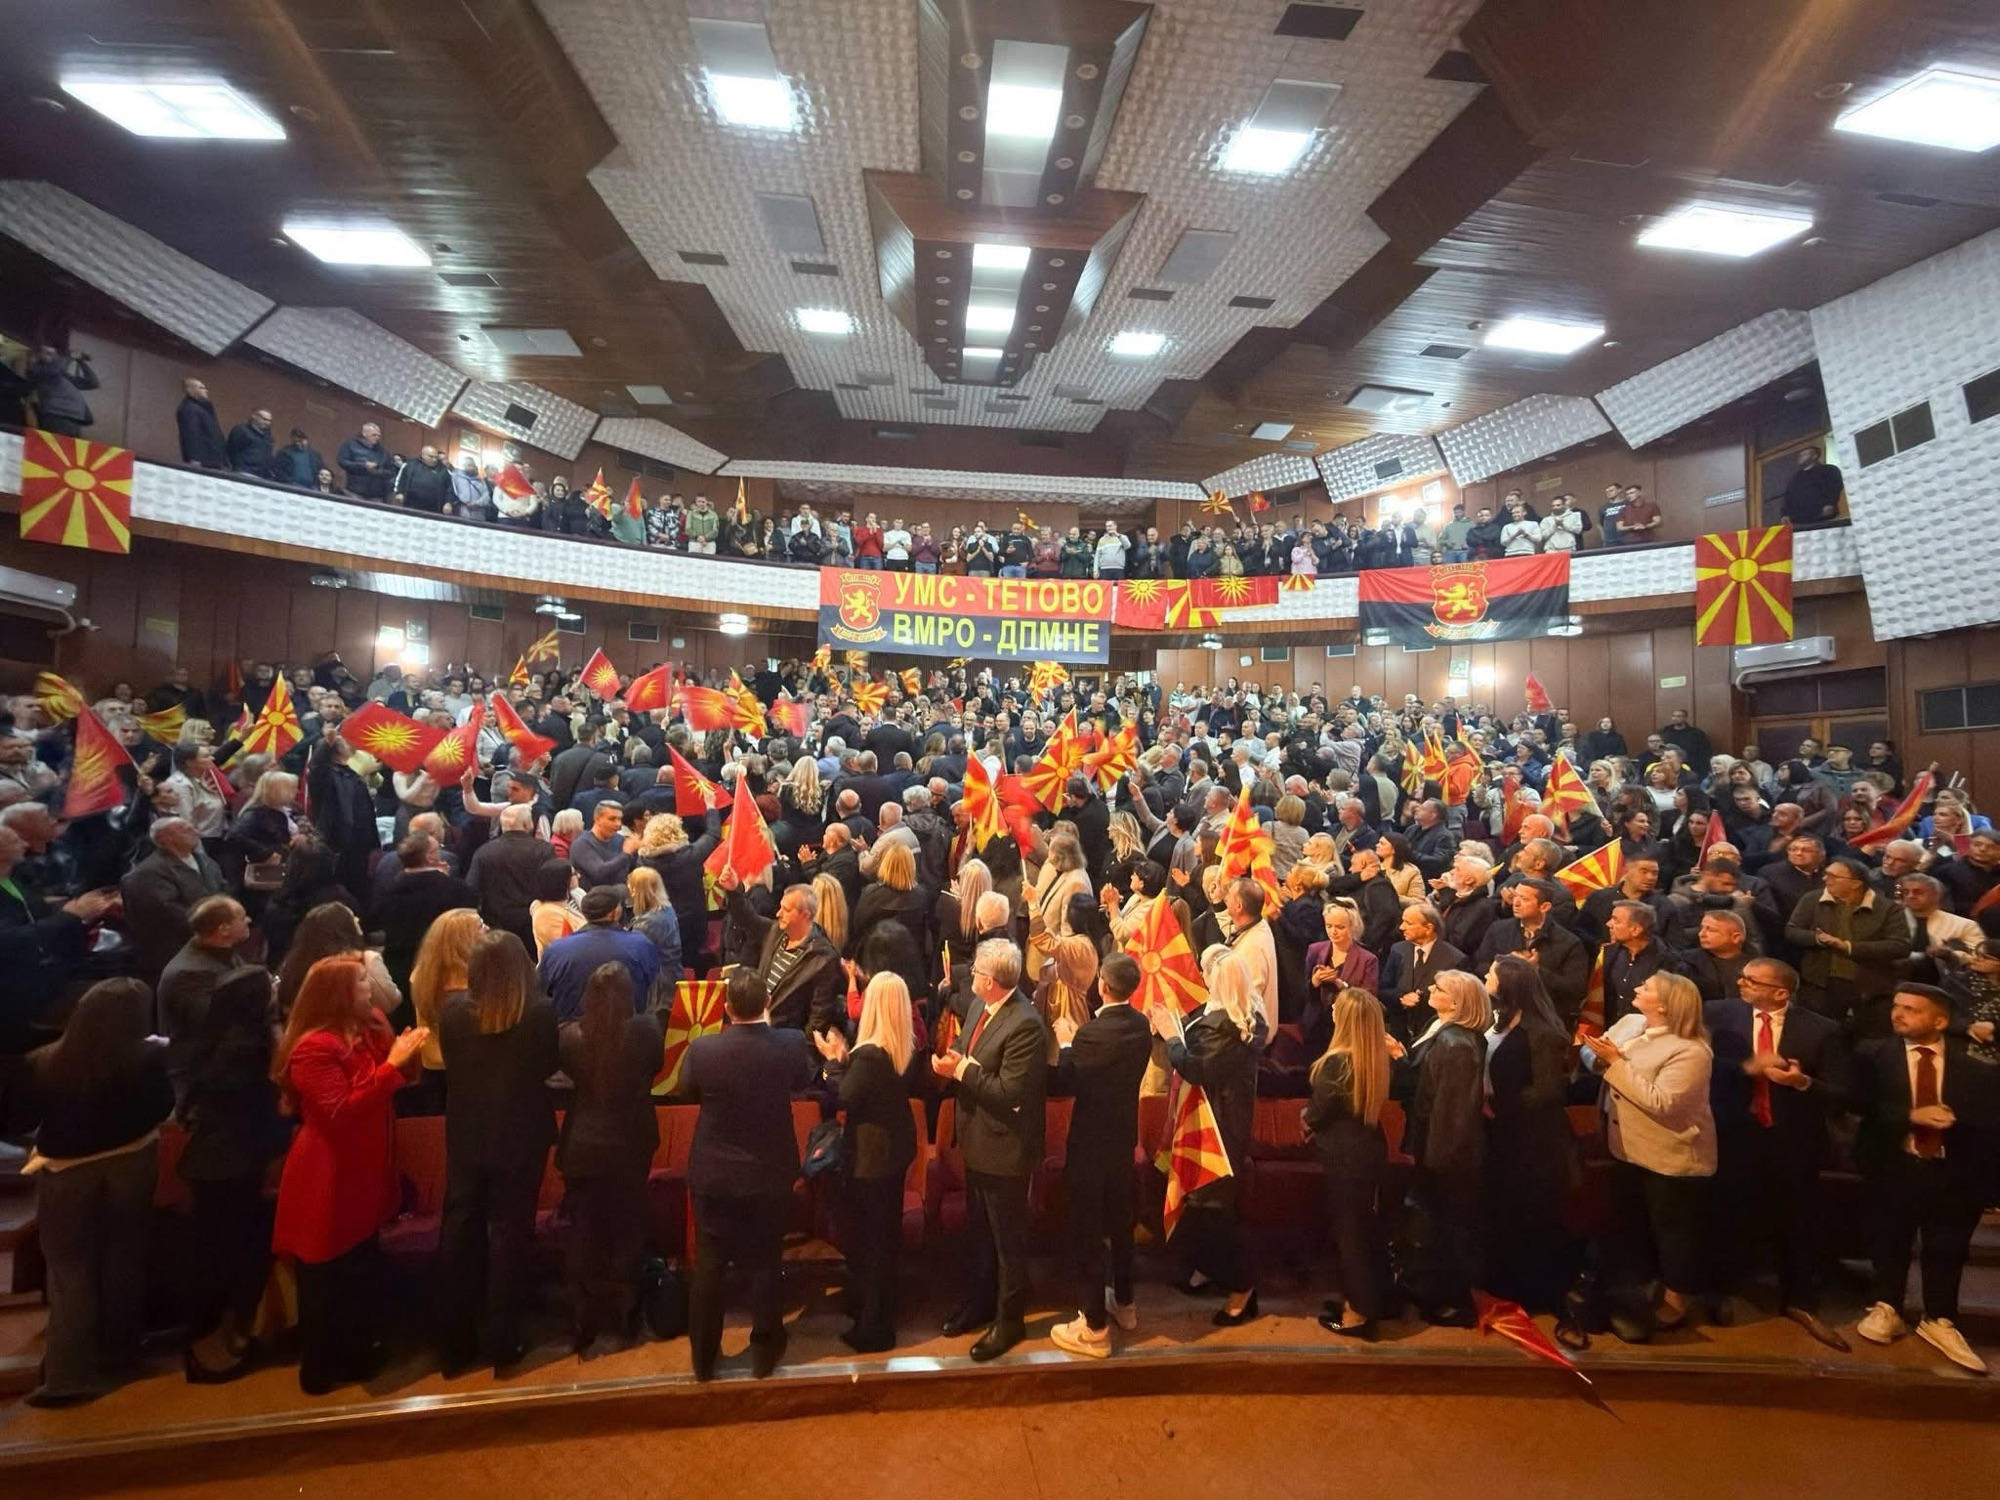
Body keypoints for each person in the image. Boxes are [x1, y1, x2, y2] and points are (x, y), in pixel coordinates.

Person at [270, 955, 428, 1394]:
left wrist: (404, 1052)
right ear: (337, 993)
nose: (370, 985)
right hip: (328, 1172)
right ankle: (322, 1365)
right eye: (361, 980)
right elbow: (340, 1111)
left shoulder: (367, 1025)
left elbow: (398, 1078)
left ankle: (356, 1351)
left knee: (359, 1263)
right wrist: (393, 1064)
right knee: (326, 1272)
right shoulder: (313, 1047)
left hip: (363, 1166)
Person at [19, 979, 173, 1406]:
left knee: (70, 1271)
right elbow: (162, 1107)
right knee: (124, 1261)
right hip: (132, 1162)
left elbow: (21, 1118)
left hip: (66, 1173)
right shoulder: (146, 1058)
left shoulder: (46, 1062)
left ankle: (68, 1375)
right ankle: (121, 1354)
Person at [1850, 984, 1998, 1374]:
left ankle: (1940, 1317)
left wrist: (1957, 1123)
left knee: (1947, 1246)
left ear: (1940, 1020)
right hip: (1892, 1164)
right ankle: (1887, 1306)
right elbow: (1855, 1104)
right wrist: (1909, 1117)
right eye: (1897, 1006)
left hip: (1953, 1170)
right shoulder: (1871, 1055)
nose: (1898, 1014)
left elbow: (1989, 1123)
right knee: (1889, 1239)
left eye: (1911, 1009)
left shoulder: (1975, 1069)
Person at [1704, 956, 1848, 1350]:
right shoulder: (1718, 1015)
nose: (1741, 983)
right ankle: (1725, 1292)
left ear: (1780, 993)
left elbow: (1842, 1092)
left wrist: (1802, 1082)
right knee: (1729, 1214)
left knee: (1796, 1221)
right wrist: (1745, 1069)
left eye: (1752, 980)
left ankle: (1801, 1300)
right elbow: (1702, 1063)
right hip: (1734, 1135)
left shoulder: (1821, 1030)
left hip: (1791, 1141)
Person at [682, 968, 816, 1381]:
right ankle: (765, 1350)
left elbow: (687, 1090)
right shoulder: (789, 1044)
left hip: (714, 1174)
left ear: (726, 1009)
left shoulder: (703, 1049)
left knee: (710, 1265)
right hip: (768, 1172)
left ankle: (704, 1357)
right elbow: (804, 1080)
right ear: (767, 1004)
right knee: (765, 1260)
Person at [437, 931, 559, 1372]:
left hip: (467, 1135)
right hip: (521, 1137)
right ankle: (503, 1340)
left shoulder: (453, 1011)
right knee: (510, 1235)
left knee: (460, 1231)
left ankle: (454, 1345)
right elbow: (548, 1066)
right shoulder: (538, 1013)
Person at [1582, 972, 1716, 1342]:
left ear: (1666, 1005)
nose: (1638, 988)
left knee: (1673, 1231)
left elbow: (1664, 1103)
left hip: (1669, 1154)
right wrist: (1599, 1058)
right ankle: (1636, 1291)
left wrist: (1614, 1062)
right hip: (1626, 1146)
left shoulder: (1690, 1050)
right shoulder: (1631, 1022)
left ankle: (1677, 1299)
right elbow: (1591, 1050)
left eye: (1647, 988)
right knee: (1635, 1224)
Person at [934, 938, 1049, 1361]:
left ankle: (1010, 1319)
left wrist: (961, 1069)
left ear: (994, 981)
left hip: (1005, 1148)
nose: (971, 976)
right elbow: (967, 1049)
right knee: (980, 1234)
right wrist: (953, 1060)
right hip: (977, 1141)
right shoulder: (981, 1007)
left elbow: (1009, 1092)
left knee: (1006, 1242)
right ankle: (982, 1303)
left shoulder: (1025, 1024)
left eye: (978, 972)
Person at [176, 967, 290, 1383]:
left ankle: (216, 1341)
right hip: (232, 1165)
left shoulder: (216, 1039)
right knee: (227, 1257)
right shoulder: (246, 1051)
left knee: (216, 1255)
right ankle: (215, 1349)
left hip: (213, 1162)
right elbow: (270, 1105)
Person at [1048, 953, 1152, 1359]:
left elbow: (1067, 1080)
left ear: (1103, 987)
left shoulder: (1091, 1034)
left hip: (1090, 1144)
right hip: (1122, 1139)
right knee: (1121, 1222)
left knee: (1087, 1231)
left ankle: (1093, 1326)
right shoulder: (1141, 1026)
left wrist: (1067, 1042)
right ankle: (1125, 1304)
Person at [557, 962, 663, 1349]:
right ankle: (627, 1310)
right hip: (631, 1142)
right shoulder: (646, 1030)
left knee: (584, 1227)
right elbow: (656, 1066)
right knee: (628, 1224)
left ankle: (583, 1313)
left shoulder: (569, 1037)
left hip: (582, 1145)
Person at [813, 971, 919, 1353]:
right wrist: (846, 1058)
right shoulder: (903, 1046)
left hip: (871, 1158)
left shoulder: (871, 1054)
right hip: (893, 1152)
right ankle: (878, 1312)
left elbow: (845, 1095)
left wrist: (831, 1062)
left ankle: (873, 1328)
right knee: (884, 1238)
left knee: (870, 1243)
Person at [1158, 948, 1264, 1325]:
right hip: (1222, 1124)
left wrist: (1172, 1037)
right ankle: (1206, 1270)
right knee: (1205, 1204)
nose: (1202, 979)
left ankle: (1242, 1287)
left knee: (1210, 1208)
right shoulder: (1245, 1019)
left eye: (1207, 974)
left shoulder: (1223, 1029)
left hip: (1214, 1130)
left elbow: (1197, 1068)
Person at [1393, 970, 1490, 1326]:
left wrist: (1437, 1159)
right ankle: (1429, 1290)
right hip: (1431, 1142)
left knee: (1445, 1227)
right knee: (1431, 1225)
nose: (1431, 989)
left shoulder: (1458, 1045)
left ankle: (1449, 1302)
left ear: (1457, 1002)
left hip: (1446, 1153)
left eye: (1440, 988)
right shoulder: (1440, 1028)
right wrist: (1400, 1055)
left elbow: (1453, 1113)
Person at [1482, 957, 1577, 1312]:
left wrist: (1499, 1104)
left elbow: (1548, 1090)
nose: (1485, 977)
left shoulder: (1542, 1031)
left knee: (1530, 1211)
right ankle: (1505, 1282)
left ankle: (1534, 1291)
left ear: (1509, 984)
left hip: (1533, 1138)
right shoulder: (1500, 1019)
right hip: (1505, 1131)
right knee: (1505, 1209)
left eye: (1491, 974)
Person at [1303, 987, 1395, 1340]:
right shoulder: (1375, 1056)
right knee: (1367, 1231)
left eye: (1336, 1009)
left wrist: (1305, 1117)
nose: (1332, 1011)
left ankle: (1359, 1314)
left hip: (1344, 1156)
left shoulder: (1337, 1062)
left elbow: (1319, 1112)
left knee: (1351, 1237)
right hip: (1369, 1150)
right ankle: (1379, 1300)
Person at [1786, 856, 1909, 1037]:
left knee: (1869, 1040)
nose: (1825, 879)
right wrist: (1818, 939)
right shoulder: (1812, 899)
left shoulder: (1887, 908)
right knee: (1822, 1037)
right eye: (1826, 874)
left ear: (1856, 883)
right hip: (1820, 983)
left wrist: (1849, 947)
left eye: (1833, 876)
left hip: (1870, 987)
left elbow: (1900, 946)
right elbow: (1792, 931)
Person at [721, 874, 844, 1034]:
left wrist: (795, 1044)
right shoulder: (776, 931)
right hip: (758, 1026)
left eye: (786, 910)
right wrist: (733, 891)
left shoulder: (823, 959)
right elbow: (748, 919)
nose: (778, 913)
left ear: (805, 915)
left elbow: (819, 1017)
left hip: (785, 1036)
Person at [155, 894, 250, 1094]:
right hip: (200, 1078)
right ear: (224, 929)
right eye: (242, 917)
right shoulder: (188, 973)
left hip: (225, 1062)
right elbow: (215, 1022)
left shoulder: (223, 952)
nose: (248, 920)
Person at [120, 817, 226, 987]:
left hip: (212, 938)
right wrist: (210, 924)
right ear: (165, 839)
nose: (193, 831)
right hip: (177, 949)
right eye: (184, 829)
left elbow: (222, 889)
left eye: (192, 826)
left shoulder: (206, 861)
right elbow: (167, 912)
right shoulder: (149, 873)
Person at [540, 886, 661, 1022]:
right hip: (626, 1029)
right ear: (615, 913)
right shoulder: (641, 945)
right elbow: (654, 991)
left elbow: (544, 992)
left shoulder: (556, 950)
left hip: (571, 1031)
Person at [1778, 445, 1843, 527]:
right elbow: (1788, 496)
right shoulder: (1796, 477)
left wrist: (1830, 503)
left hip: (1822, 516)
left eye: (1804, 454)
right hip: (1799, 520)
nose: (1800, 457)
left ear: (1814, 456)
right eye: (1800, 455)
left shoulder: (1829, 470)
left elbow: (1833, 487)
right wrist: (1784, 514)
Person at [176, 376, 226, 469]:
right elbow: (191, 434)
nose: (206, 391)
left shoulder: (202, 409)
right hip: (204, 461)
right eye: (201, 388)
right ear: (190, 390)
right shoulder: (190, 409)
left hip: (213, 460)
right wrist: (194, 458)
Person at [336, 421, 392, 500]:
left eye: (379, 435)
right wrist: (363, 466)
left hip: (377, 494)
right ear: (364, 434)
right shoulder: (350, 445)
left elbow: (390, 471)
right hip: (355, 491)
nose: (377, 438)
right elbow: (342, 462)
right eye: (374, 435)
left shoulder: (383, 452)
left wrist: (378, 471)